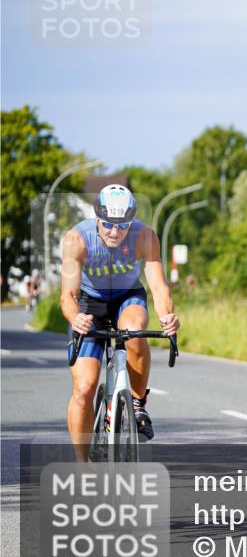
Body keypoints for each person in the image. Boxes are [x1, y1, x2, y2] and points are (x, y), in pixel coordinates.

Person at [60, 184, 180, 460]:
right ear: (97, 218)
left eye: (123, 225)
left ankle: (137, 405)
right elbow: (67, 294)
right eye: (108, 225)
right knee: (84, 389)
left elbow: (159, 287)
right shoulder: (76, 239)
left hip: (127, 296)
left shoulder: (145, 236)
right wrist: (75, 317)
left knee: (136, 330)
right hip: (89, 302)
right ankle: (81, 465)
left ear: (132, 220)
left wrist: (167, 316)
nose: (115, 232)